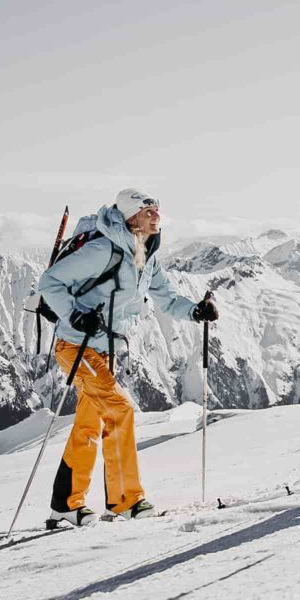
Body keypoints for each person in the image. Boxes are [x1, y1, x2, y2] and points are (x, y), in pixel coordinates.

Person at [38, 188, 219, 526]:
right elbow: (49, 282)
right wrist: (75, 315)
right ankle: (125, 501)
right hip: (76, 346)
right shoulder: (102, 249)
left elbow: (167, 299)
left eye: (156, 208)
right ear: (130, 216)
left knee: (89, 424)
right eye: (146, 209)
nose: (155, 214)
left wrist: (195, 311)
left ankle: (65, 506)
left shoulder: (146, 256)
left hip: (104, 352)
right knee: (120, 410)